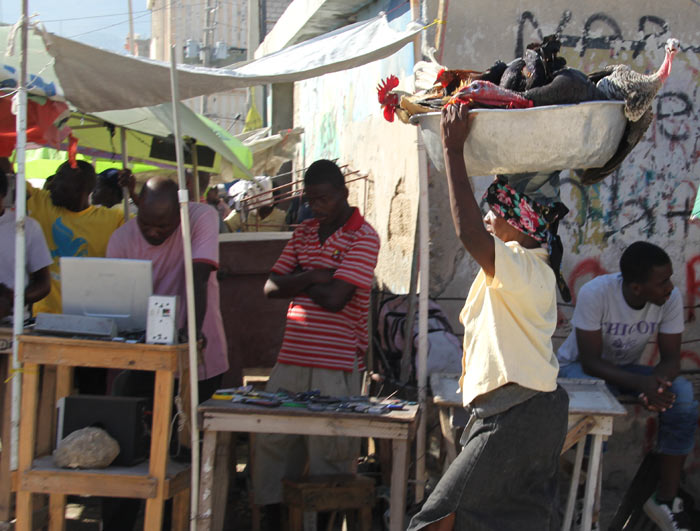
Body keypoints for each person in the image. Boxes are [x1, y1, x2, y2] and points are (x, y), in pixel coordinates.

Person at [408, 104, 570, 531]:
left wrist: (452, 149)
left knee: (435, 520)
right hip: (517, 414)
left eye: (494, 213)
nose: (486, 219)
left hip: (516, 415)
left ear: (520, 222)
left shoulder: (523, 266)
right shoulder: (522, 270)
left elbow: (467, 233)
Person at [253, 159, 379, 524]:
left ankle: (321, 523)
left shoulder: (363, 236)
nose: (315, 206)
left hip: (336, 364)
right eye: (310, 200)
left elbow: (337, 299)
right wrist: (314, 275)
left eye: (322, 198)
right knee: (273, 442)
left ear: (343, 193)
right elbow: (270, 287)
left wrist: (301, 280)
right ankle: (276, 519)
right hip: (291, 357)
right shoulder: (305, 231)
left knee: (330, 453)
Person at [557, 241, 698, 531]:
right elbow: (591, 361)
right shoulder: (596, 293)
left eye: (669, 278)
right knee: (599, 397)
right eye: (662, 282)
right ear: (637, 288)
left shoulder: (668, 298)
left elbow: (671, 359)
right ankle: (586, 499)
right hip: (578, 369)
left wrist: (656, 387)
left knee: (682, 394)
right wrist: (642, 384)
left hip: (624, 372)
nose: (670, 287)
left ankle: (665, 500)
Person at [106, 176, 228, 397]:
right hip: (145, 357)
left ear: (180, 214)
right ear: (139, 207)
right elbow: (117, 303)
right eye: (145, 224)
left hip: (200, 353)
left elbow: (198, 278)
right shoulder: (120, 239)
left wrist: (193, 335)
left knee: (191, 426)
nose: (153, 232)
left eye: (163, 226)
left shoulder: (202, 217)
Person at [25, 160, 126, 316]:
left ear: (80, 186)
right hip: (44, 317)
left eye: (59, 177)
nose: (52, 184)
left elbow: (148, 226)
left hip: (89, 318)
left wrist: (133, 193)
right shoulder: (41, 200)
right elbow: (10, 178)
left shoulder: (113, 219)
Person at [0, 167, 52, 320]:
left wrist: (11, 300)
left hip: (13, 323)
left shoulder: (26, 226)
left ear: (3, 195)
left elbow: (43, 283)